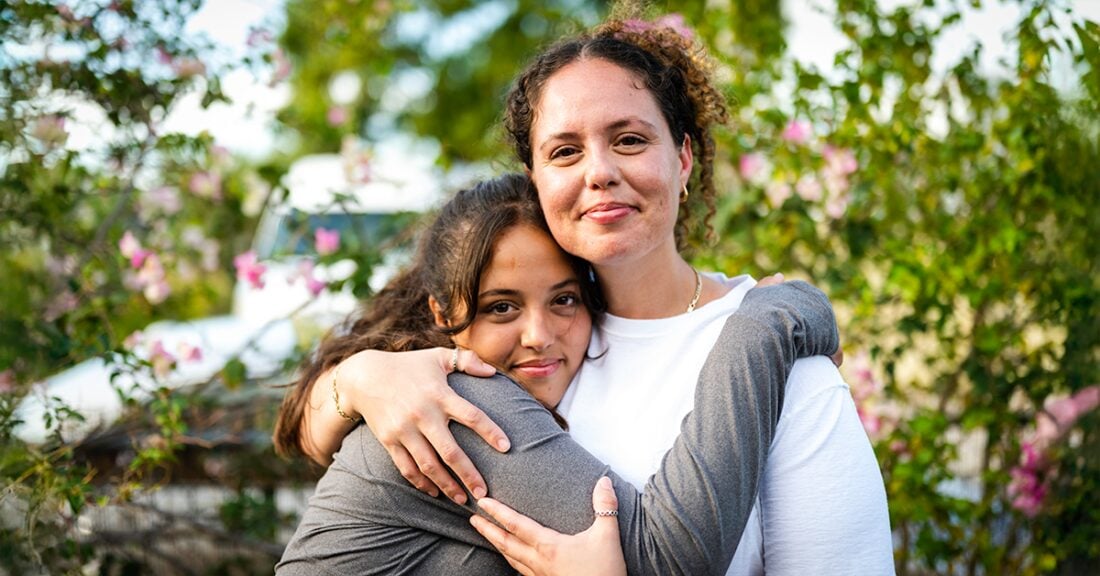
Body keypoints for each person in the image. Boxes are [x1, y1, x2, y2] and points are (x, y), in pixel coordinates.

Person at [285, 16, 893, 575]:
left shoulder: (786, 371)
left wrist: (768, 325)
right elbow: (312, 433)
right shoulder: (472, 377)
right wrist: (357, 378)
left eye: (629, 139)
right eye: (565, 151)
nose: (597, 171)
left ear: (683, 159)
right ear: (536, 181)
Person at [275, 173, 841, 575]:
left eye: (564, 300)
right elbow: (673, 560)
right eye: (501, 307)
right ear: (444, 314)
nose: (538, 334)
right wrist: (761, 328)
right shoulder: (458, 402)